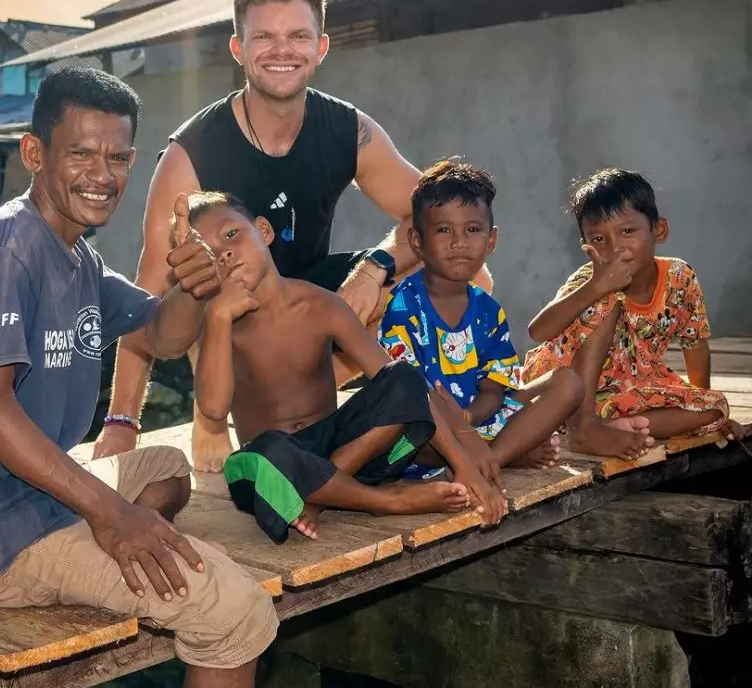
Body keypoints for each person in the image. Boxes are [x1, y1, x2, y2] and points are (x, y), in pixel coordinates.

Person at [0, 68, 295, 688]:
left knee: (161, 466)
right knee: (230, 609)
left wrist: (193, 284)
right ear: (34, 152)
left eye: (119, 158)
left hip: (37, 501)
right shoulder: (4, 248)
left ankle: (125, 561)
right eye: (80, 154)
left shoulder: (76, 257)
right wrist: (109, 512)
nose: (102, 174)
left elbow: (162, 334)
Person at [95, 0, 491, 470]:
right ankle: (215, 412)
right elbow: (148, 290)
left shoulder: (348, 130)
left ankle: (461, 398)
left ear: (321, 47)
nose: (282, 50)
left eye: (298, 36)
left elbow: (440, 221)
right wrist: (122, 422)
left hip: (306, 305)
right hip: (230, 318)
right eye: (264, 36)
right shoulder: (191, 153)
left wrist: (376, 269)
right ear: (238, 49)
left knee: (458, 262)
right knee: (196, 291)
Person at [181, 191, 507, 542]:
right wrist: (216, 316)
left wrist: (465, 468)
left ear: (264, 230)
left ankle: (319, 497)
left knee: (404, 377)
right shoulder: (218, 324)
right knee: (254, 460)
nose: (224, 253)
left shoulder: (321, 304)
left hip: (349, 452)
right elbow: (213, 410)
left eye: (231, 235)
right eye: (209, 253)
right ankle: (382, 501)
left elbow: (404, 386)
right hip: (279, 468)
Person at [523, 167, 748, 457]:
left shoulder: (680, 278)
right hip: (570, 390)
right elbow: (538, 332)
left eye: (627, 231)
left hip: (628, 389)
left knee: (714, 410)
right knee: (607, 301)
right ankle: (584, 429)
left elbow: (695, 345)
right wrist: (595, 288)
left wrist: (697, 398)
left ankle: (614, 426)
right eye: (599, 239)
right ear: (586, 245)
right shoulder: (589, 280)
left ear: (659, 230)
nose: (616, 248)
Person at [378, 161, 584, 468]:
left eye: (472, 229)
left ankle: (492, 457)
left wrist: (468, 417)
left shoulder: (488, 310)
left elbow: (494, 389)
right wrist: (457, 424)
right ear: (417, 242)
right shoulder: (404, 309)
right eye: (444, 229)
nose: (459, 241)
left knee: (568, 382)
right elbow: (410, 402)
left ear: (491, 240)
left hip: (478, 419)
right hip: (429, 431)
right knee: (414, 440)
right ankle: (503, 453)